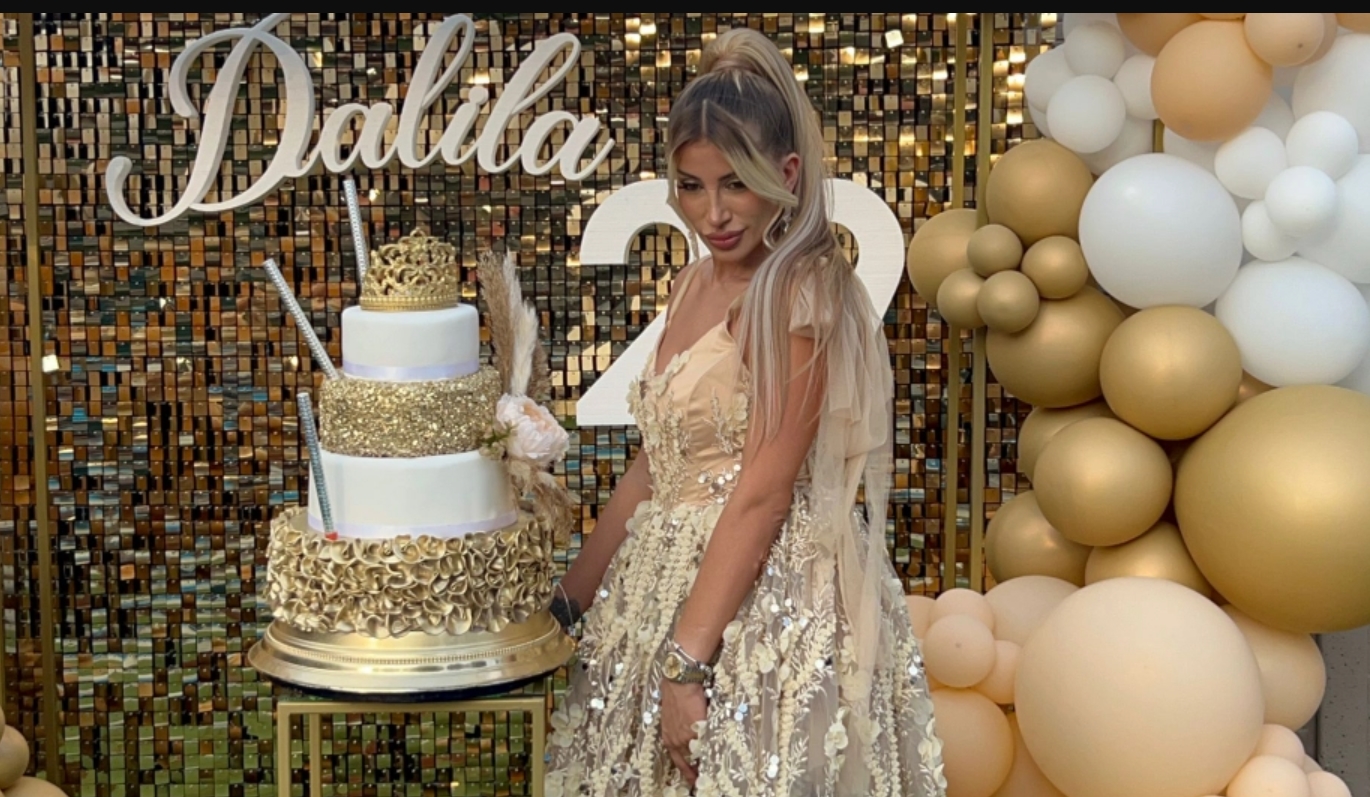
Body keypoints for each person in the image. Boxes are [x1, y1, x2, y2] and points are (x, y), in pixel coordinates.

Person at [545, 27, 945, 797]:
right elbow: (657, 463)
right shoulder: (691, 284)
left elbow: (763, 489)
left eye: (737, 183)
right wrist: (569, 600)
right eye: (693, 186)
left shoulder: (803, 292)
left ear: (786, 173)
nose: (714, 212)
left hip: (766, 604)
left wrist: (687, 663)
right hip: (659, 587)